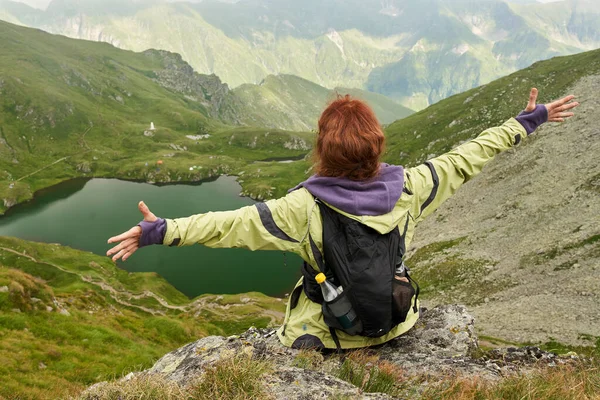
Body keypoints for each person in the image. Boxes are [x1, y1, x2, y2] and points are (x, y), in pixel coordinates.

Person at [107, 88, 578, 350]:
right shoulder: (412, 187)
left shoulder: (302, 208)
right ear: (377, 147)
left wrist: (160, 231)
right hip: (398, 321)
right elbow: (466, 157)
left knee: (289, 337)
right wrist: (526, 122)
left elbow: (229, 224)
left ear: (324, 150)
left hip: (329, 333)